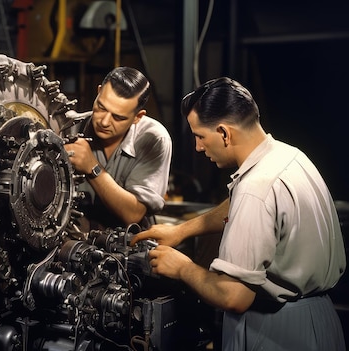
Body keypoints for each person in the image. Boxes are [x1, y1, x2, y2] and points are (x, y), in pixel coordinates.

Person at [130, 77, 346, 350]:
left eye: (199, 136)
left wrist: (182, 267)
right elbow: (238, 204)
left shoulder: (255, 189)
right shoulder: (288, 156)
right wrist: (181, 231)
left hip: (276, 334)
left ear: (224, 133)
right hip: (319, 321)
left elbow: (234, 295)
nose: (198, 147)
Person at [63, 66, 172, 231]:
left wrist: (92, 168)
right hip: (73, 236)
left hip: (128, 243)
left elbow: (133, 214)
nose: (104, 122)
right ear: (99, 91)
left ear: (138, 116)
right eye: (101, 107)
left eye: (118, 117)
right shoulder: (69, 128)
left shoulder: (153, 139)